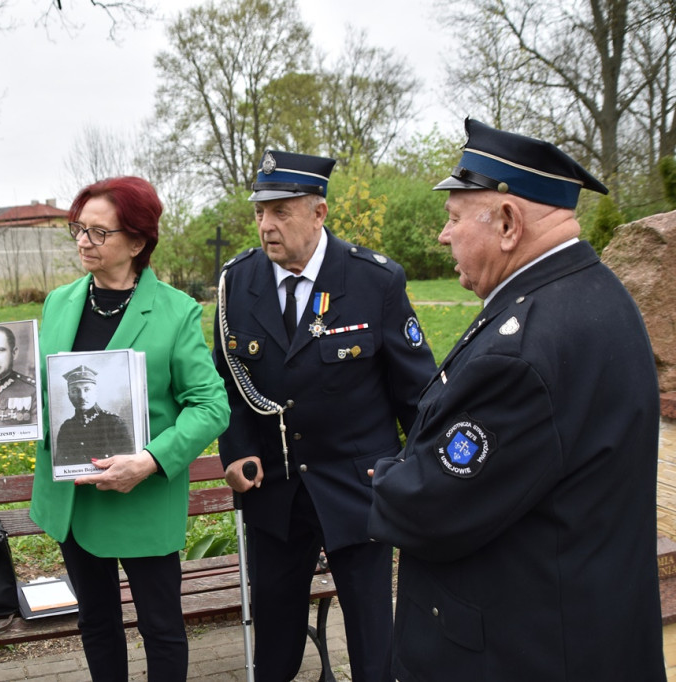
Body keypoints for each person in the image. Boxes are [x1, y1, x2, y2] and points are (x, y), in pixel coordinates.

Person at [368, 118, 666, 681]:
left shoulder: (526, 346)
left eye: (454, 218)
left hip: (524, 650)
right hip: (581, 630)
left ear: (507, 222)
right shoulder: (593, 292)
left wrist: (384, 477)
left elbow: (433, 506)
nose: (442, 235)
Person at [215, 150, 436, 682]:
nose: (267, 224)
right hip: (274, 489)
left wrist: (413, 473)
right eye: (260, 212)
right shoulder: (237, 283)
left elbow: (419, 393)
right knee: (275, 640)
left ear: (319, 212)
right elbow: (227, 381)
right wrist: (236, 448)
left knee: (371, 635)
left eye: (281, 211)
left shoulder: (373, 281)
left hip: (357, 487)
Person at [29, 176, 230, 681]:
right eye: (78, 229)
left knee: (161, 626)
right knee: (96, 622)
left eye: (99, 233)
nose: (83, 242)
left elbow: (210, 405)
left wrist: (150, 461)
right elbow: (42, 389)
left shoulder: (176, 311)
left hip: (141, 496)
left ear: (137, 242)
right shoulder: (59, 302)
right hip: (73, 498)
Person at [54, 364, 132, 466]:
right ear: (69, 396)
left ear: (96, 392)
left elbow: (128, 463)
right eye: (75, 391)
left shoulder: (114, 423)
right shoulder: (66, 428)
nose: (82, 396)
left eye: (87, 390)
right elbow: (61, 465)